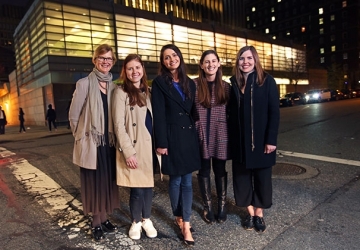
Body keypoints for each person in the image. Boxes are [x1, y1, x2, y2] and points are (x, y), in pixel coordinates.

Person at [69, 44, 119, 241]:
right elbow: (73, 116)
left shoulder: (114, 86)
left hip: (109, 143)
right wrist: (81, 138)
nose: (105, 61)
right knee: (94, 185)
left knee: (107, 183)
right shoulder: (84, 84)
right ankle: (96, 222)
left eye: (109, 58)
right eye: (102, 58)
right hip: (92, 143)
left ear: (113, 62)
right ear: (94, 60)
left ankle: (105, 218)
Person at [152, 44, 201, 246]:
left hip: (188, 137)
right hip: (171, 137)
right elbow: (159, 115)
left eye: (174, 55)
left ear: (179, 57)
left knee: (188, 182)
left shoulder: (190, 83)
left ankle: (186, 223)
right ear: (163, 62)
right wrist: (161, 142)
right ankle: (178, 215)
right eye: (166, 57)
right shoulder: (159, 83)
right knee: (175, 181)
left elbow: (193, 111)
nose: (171, 59)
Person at [228, 45, 280, 233]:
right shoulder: (234, 82)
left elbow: (274, 112)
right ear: (238, 62)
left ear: (255, 60)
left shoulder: (266, 81)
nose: (245, 62)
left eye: (249, 58)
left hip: (261, 142)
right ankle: (249, 212)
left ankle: (259, 214)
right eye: (242, 58)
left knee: (262, 180)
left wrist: (271, 139)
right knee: (241, 180)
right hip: (240, 143)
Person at [112, 54, 158, 240]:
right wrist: (128, 152)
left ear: (143, 69)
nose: (134, 72)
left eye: (137, 67)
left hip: (150, 145)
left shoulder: (149, 91)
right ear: (125, 71)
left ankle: (146, 219)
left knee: (148, 186)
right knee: (137, 188)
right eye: (130, 68)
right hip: (134, 146)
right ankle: (136, 221)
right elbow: (118, 125)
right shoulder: (121, 92)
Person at [192, 50, 230, 224]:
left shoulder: (226, 86)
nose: (210, 64)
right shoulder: (194, 85)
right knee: (204, 170)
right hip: (201, 134)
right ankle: (208, 206)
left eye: (214, 61)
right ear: (201, 65)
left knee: (220, 170)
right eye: (206, 62)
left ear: (219, 63)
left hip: (220, 132)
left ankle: (222, 205)